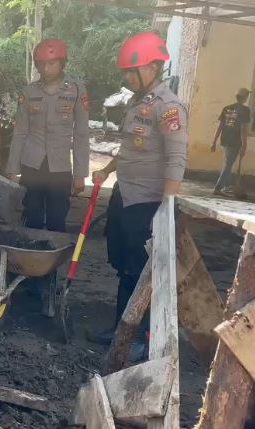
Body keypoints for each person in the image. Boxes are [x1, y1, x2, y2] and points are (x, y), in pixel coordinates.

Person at [87, 32, 188, 361]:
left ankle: (143, 338)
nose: (127, 78)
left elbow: (176, 159)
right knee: (124, 266)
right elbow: (130, 148)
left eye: (133, 71)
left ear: (154, 68)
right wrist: (108, 169)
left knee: (143, 271)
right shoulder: (136, 103)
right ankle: (120, 329)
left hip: (148, 202)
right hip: (125, 196)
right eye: (126, 72)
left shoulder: (169, 108)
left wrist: (166, 208)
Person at [6, 38, 90, 232]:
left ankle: (51, 259)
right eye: (41, 64)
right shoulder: (28, 92)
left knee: (57, 218)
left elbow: (81, 134)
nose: (46, 68)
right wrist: (12, 168)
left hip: (60, 167)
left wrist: (80, 174)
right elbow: (20, 132)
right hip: (32, 165)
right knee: (31, 216)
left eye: (51, 63)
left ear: (62, 63)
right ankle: (30, 258)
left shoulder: (77, 90)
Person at [211, 88, 251, 196]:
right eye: (247, 96)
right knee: (228, 165)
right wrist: (244, 145)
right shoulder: (245, 110)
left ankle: (226, 186)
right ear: (245, 97)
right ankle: (218, 188)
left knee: (227, 163)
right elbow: (243, 129)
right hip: (235, 141)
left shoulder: (226, 108)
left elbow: (220, 126)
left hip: (224, 140)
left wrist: (214, 141)